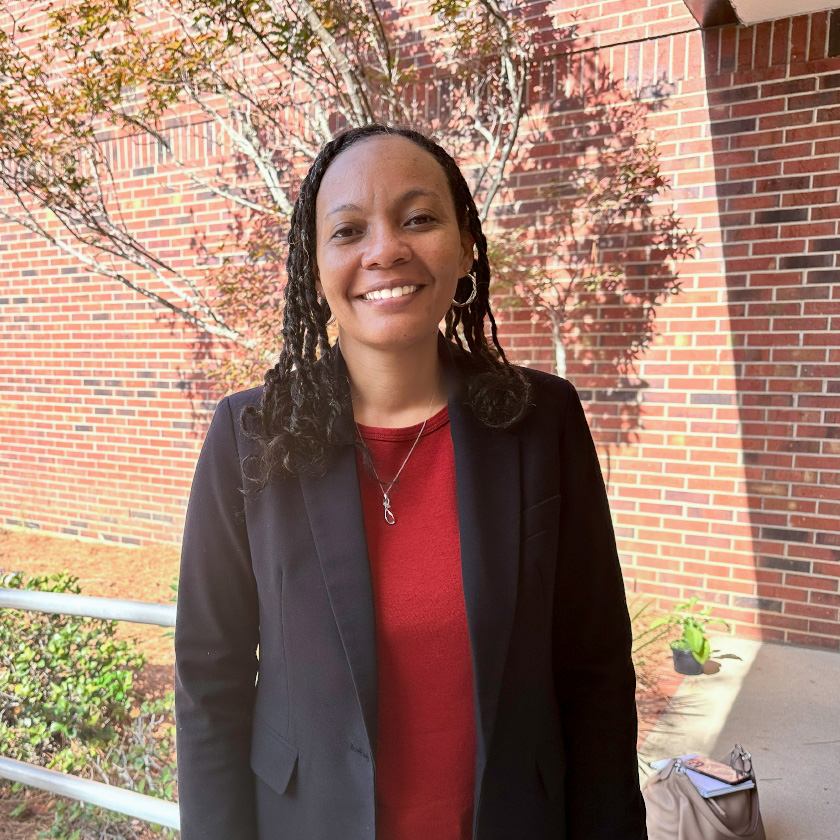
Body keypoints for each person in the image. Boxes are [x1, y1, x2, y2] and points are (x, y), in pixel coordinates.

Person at [174, 123, 647, 840]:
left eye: (418, 219)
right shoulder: (249, 438)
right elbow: (210, 688)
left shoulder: (542, 420)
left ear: (464, 247)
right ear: (315, 267)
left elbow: (595, 669)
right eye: (349, 230)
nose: (385, 250)